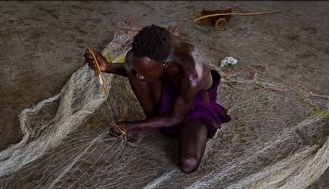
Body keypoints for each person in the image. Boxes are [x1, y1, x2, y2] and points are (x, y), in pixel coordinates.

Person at [84, 25, 231, 174]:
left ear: (165, 64)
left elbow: (176, 117)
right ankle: (153, 121)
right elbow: (141, 70)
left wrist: (133, 126)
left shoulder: (193, 72)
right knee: (130, 62)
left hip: (194, 104)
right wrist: (107, 67)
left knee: (189, 162)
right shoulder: (152, 51)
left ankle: (155, 126)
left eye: (144, 72)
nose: (139, 77)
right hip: (166, 87)